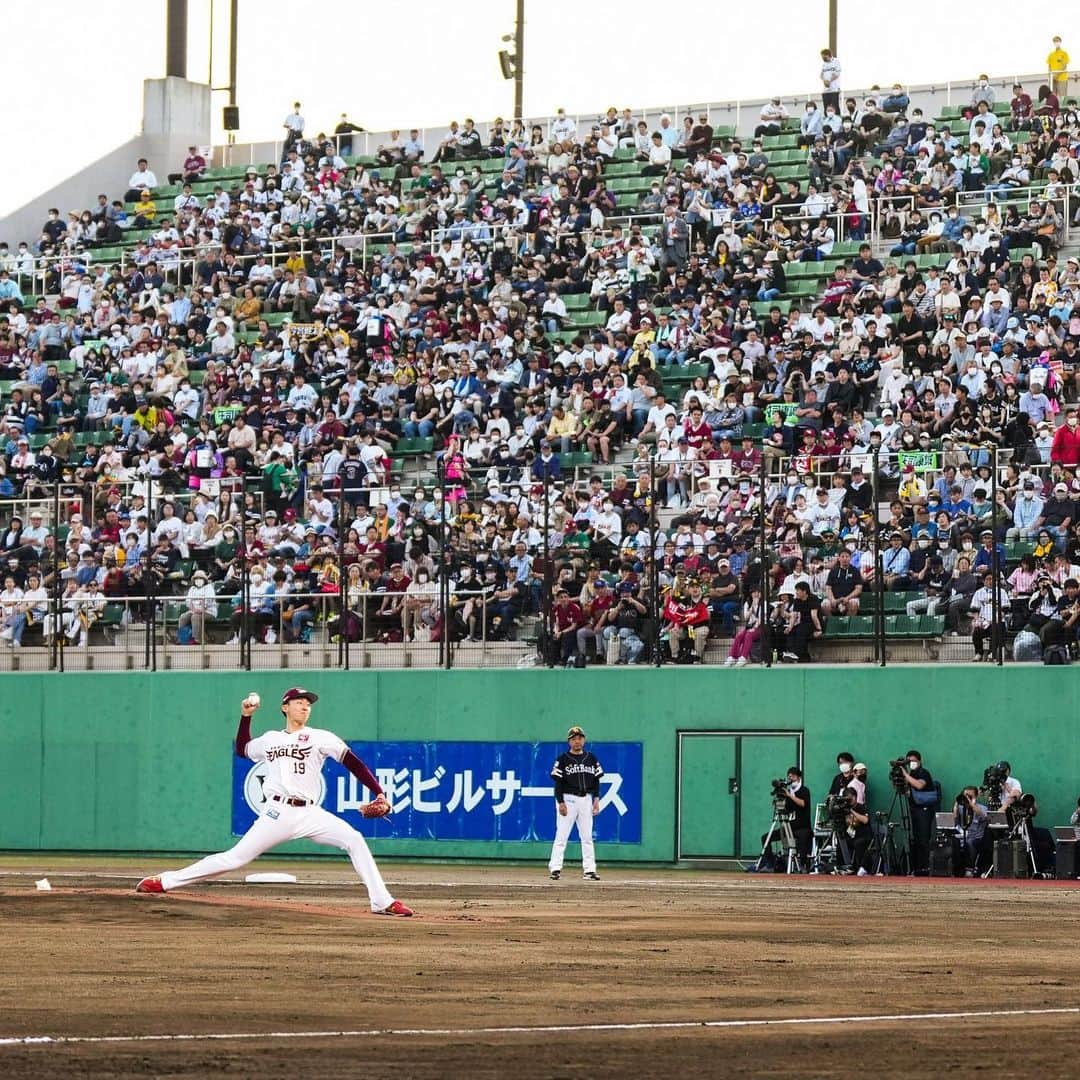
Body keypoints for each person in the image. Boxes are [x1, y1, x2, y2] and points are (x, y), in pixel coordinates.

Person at [134, 687, 414, 917]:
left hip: (310, 813)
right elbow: (243, 749)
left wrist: (379, 792)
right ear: (285, 707)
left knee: (353, 839)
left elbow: (353, 763)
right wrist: (246, 717)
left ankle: (382, 901)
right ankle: (166, 881)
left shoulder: (320, 737)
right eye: (299, 702)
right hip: (277, 811)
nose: (305, 707)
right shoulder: (270, 740)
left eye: (308, 704)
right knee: (235, 858)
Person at [547, 725, 603, 881]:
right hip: (568, 799)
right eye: (574, 738)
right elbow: (558, 783)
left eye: (580, 738)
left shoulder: (591, 758)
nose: (577, 741)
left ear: (584, 740)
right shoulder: (563, 759)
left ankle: (590, 870)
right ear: (569, 741)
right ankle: (555, 868)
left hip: (586, 799)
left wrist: (596, 800)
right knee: (562, 835)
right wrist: (560, 802)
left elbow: (596, 781)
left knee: (587, 837)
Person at [900, 749, 937, 874]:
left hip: (924, 810)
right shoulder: (912, 773)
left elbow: (919, 785)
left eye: (913, 761)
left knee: (923, 839)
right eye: (909, 761)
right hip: (914, 809)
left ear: (920, 761)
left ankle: (926, 866)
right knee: (916, 839)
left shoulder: (923, 773)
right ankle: (917, 867)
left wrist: (905, 774)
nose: (911, 763)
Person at [953, 785, 991, 876]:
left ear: (975, 797)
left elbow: (984, 816)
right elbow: (954, 819)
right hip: (963, 835)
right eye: (965, 795)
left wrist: (971, 804)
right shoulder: (961, 808)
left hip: (977, 837)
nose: (967, 798)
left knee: (969, 842)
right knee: (953, 842)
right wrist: (957, 804)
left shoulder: (982, 807)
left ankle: (970, 868)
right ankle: (956, 869)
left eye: (970, 796)